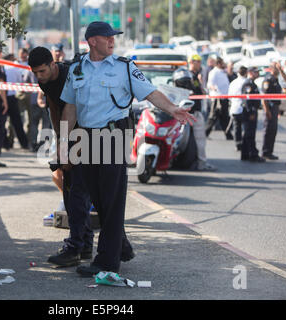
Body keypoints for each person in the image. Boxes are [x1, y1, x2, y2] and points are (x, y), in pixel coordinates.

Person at [59, 21, 196, 277]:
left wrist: (172, 109)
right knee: (98, 198)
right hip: (86, 138)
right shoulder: (76, 68)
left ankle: (107, 262)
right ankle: (120, 245)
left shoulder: (125, 67)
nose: (112, 40)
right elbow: (69, 107)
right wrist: (64, 143)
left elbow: (150, 93)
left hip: (113, 136)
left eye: (114, 37)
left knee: (112, 199)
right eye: (107, 37)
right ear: (92, 41)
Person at [28, 46, 94, 267]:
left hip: (88, 132)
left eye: (42, 72)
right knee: (72, 188)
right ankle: (83, 244)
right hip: (69, 134)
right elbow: (55, 108)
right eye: (35, 73)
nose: (39, 77)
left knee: (77, 191)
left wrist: (66, 147)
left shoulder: (69, 76)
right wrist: (58, 140)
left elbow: (72, 111)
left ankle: (77, 245)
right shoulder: (44, 81)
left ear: (53, 64)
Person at [175, 54, 215, 171]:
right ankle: (198, 162)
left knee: (198, 139)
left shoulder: (195, 77)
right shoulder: (185, 77)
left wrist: (201, 83)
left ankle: (200, 162)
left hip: (194, 112)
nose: (200, 64)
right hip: (187, 112)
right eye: (198, 61)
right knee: (188, 139)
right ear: (192, 62)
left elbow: (200, 92)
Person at [3, 53, 29, 150]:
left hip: (2, 98)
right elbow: (20, 82)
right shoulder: (15, 68)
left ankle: (5, 143)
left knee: (2, 123)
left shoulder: (2, 68)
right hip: (12, 98)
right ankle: (24, 144)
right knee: (17, 123)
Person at [240, 67, 265, 163]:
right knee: (249, 133)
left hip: (251, 111)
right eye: (255, 72)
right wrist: (251, 112)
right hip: (249, 112)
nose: (257, 73)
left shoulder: (252, 84)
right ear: (250, 73)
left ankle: (245, 154)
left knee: (248, 133)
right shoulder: (248, 84)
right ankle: (252, 154)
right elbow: (247, 99)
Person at [206, 57, 233, 140]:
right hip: (217, 98)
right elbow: (210, 84)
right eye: (222, 63)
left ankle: (228, 134)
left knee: (224, 117)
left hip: (224, 97)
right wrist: (213, 88)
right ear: (218, 64)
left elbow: (230, 72)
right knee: (214, 116)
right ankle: (205, 132)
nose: (224, 64)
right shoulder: (214, 72)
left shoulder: (222, 72)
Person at [261, 62, 282, 160]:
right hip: (270, 108)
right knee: (268, 130)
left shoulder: (276, 80)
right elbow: (264, 97)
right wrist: (267, 110)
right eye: (277, 68)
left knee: (273, 130)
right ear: (272, 69)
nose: (278, 70)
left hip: (275, 108)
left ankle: (270, 151)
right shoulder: (268, 80)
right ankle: (265, 151)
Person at [228, 66, 248, 151]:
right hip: (244, 108)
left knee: (237, 127)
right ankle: (244, 144)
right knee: (246, 128)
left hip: (235, 107)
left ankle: (237, 144)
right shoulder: (247, 82)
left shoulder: (233, 82)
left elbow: (229, 96)